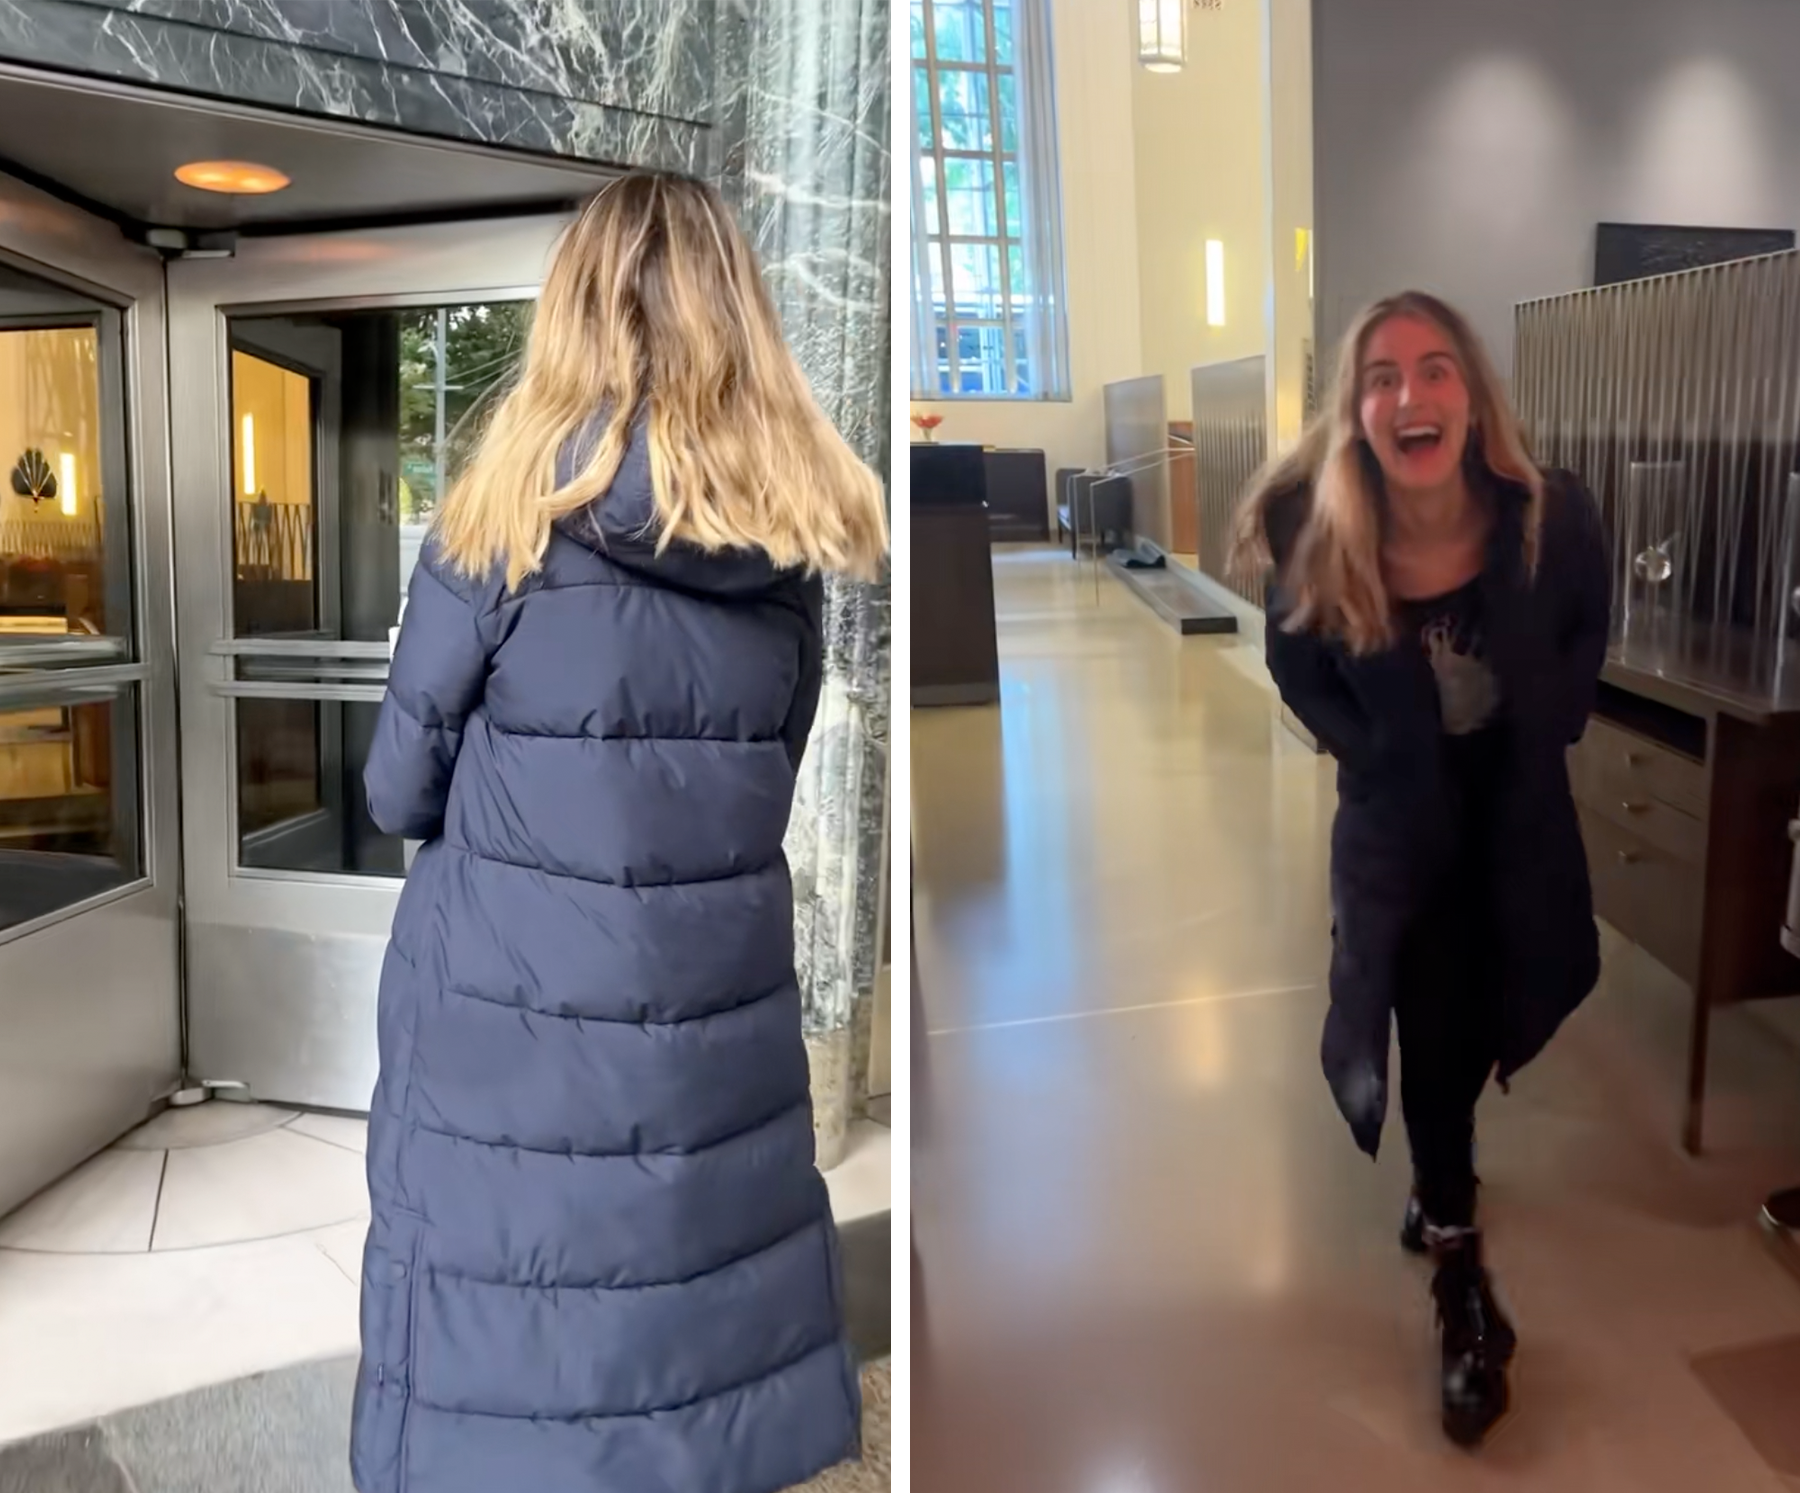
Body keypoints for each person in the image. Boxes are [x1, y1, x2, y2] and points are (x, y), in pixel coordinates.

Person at [351, 172, 888, 1493]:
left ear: (572, 318)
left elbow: (396, 790)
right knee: (685, 1327)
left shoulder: (495, 529)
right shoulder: (787, 552)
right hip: (711, 1021)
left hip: (509, 1034)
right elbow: (763, 771)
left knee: (508, 1336)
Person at [1232, 291, 1610, 1449]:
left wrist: (1548, 726)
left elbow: (1585, 630)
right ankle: (1461, 1271)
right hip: (1401, 823)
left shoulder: (1551, 519)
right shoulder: (1320, 529)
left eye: (1436, 368)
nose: (1411, 393)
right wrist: (1376, 752)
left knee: (1505, 996)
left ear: (1472, 397)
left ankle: (1441, 1168)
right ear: (1358, 411)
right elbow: (1296, 668)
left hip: (1516, 813)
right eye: (1383, 376)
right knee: (1430, 1024)